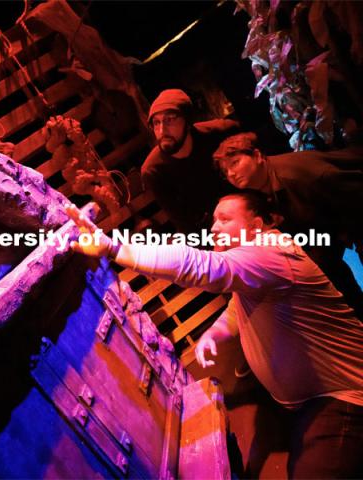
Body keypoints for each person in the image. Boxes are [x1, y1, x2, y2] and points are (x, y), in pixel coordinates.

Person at [65, 192, 363, 479]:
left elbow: (202, 266)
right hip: (304, 401)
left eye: (225, 219)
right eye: (214, 220)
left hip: (342, 396)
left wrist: (115, 249)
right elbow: (238, 308)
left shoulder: (273, 251)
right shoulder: (256, 264)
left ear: (256, 226)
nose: (214, 227)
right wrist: (213, 335)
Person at [213, 132, 363, 319]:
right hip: (327, 241)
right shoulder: (261, 190)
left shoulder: (298, 176)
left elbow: (353, 194)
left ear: (258, 156)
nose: (231, 174)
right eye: (225, 171)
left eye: (234, 163)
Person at [141, 89, 239, 234]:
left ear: (187, 122)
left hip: (247, 210)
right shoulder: (153, 171)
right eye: (156, 123)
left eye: (170, 120)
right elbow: (185, 225)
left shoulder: (221, 132)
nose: (162, 131)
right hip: (213, 232)